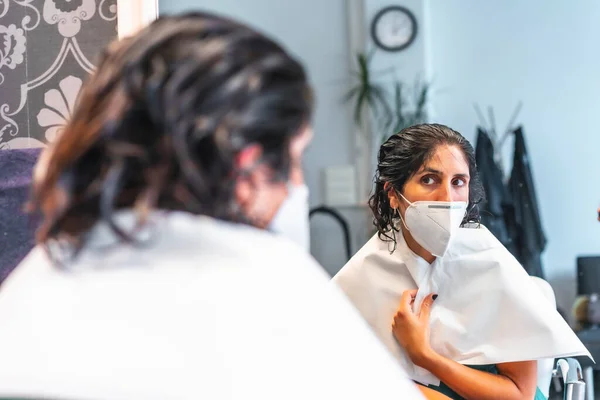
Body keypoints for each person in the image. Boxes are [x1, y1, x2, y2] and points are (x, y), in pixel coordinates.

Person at [0, 13, 428, 400]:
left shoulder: (38, 277)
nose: (297, 184)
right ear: (249, 170)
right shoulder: (274, 289)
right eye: (296, 159)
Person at [333, 124, 589, 400]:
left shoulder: (492, 265)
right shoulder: (362, 275)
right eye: (429, 180)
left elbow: (519, 394)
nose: (447, 198)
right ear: (393, 193)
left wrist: (424, 356)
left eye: (458, 182)